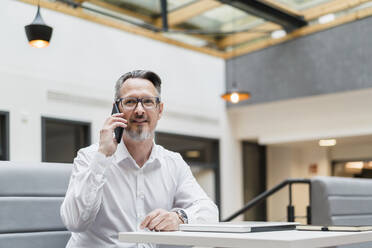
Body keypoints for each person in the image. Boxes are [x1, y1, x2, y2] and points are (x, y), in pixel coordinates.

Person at [60, 70, 219, 248]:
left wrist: (179, 217)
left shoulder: (173, 163)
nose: (140, 110)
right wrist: (102, 157)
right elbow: (74, 222)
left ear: (160, 110)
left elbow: (210, 212)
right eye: (130, 102)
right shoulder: (90, 157)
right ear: (117, 109)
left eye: (148, 101)